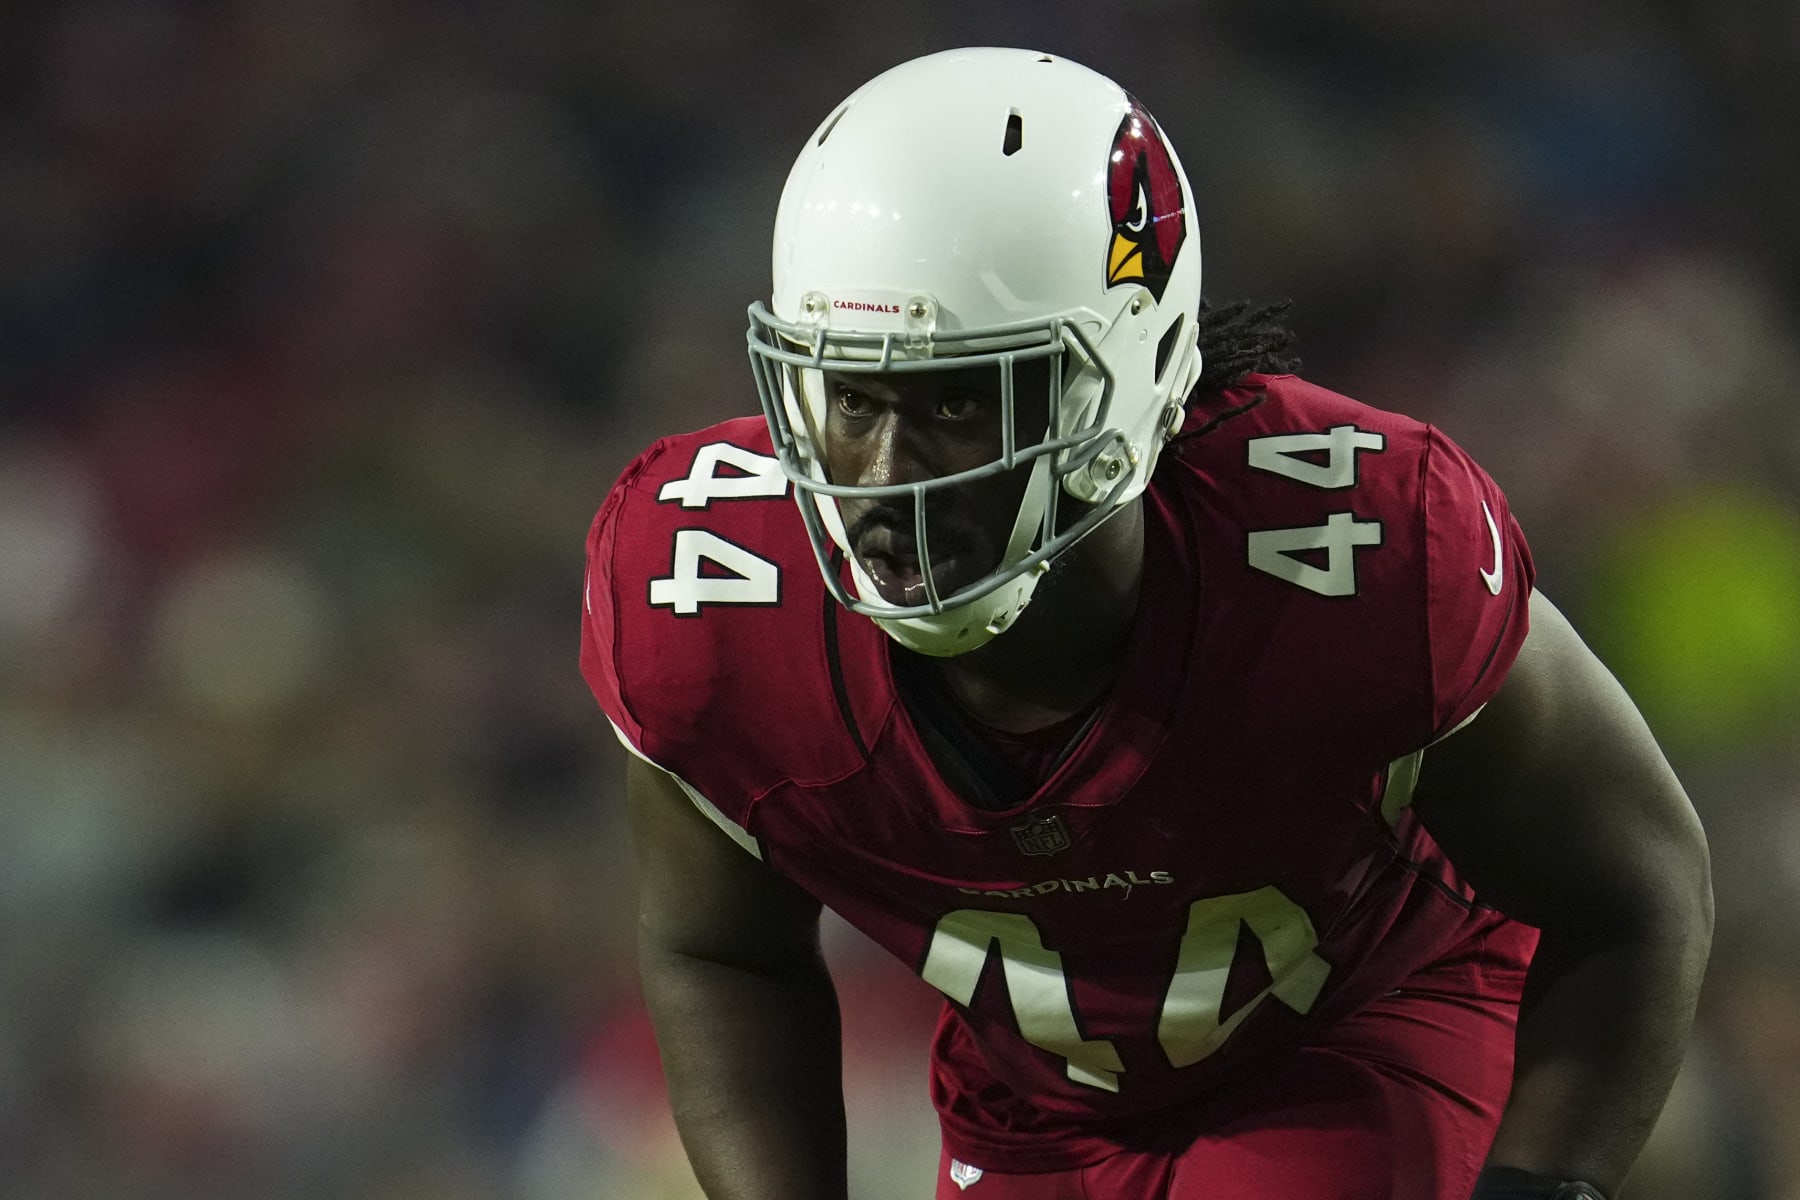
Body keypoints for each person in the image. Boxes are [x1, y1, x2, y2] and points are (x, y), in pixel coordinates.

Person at [580, 47, 1713, 1200]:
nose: (881, 478)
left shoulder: (1350, 554)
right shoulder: (713, 602)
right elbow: (723, 948)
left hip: (1361, 1033)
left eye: (961, 400)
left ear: (1137, 371)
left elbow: (1633, 890)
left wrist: (1543, 1183)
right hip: (1034, 1110)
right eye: (852, 397)